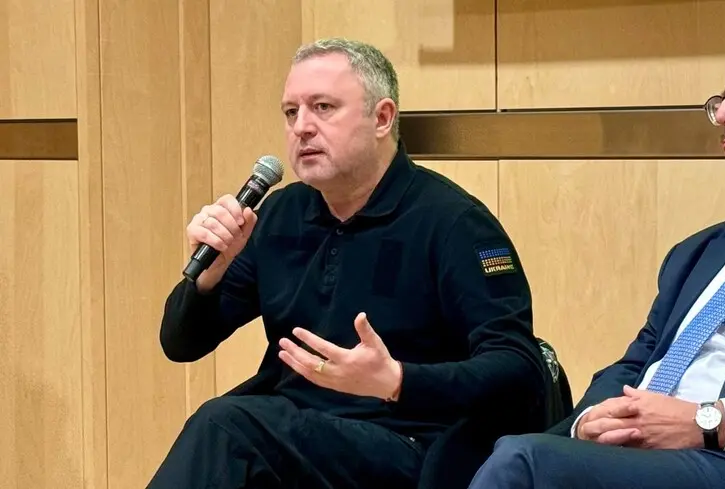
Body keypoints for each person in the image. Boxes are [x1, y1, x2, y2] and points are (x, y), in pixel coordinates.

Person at [145, 38, 548, 489]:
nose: (302, 127)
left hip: (405, 442)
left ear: (382, 118)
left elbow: (520, 370)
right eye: (291, 112)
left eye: (323, 107)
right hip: (294, 435)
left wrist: (398, 380)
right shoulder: (279, 214)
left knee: (227, 427)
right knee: (229, 432)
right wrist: (208, 279)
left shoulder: (454, 223)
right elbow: (180, 344)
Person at [467, 16, 725, 489]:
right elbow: (635, 363)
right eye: (724, 100)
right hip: (640, 456)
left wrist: (708, 421)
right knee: (503, 449)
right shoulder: (702, 252)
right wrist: (589, 420)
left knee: (522, 461)